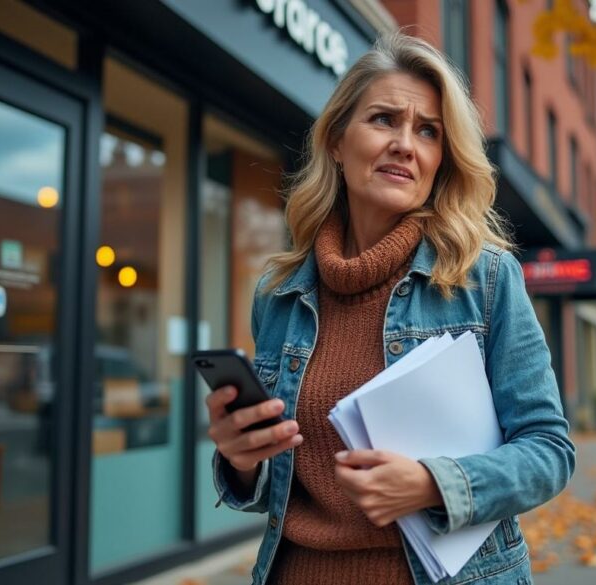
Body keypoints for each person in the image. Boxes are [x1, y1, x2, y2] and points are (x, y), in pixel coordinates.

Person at [205, 33, 575, 585]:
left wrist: (433, 485)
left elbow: (549, 450)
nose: (406, 144)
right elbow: (274, 486)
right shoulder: (278, 292)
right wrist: (240, 459)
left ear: (440, 159)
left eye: (427, 131)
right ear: (336, 141)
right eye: (384, 119)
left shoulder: (487, 278)